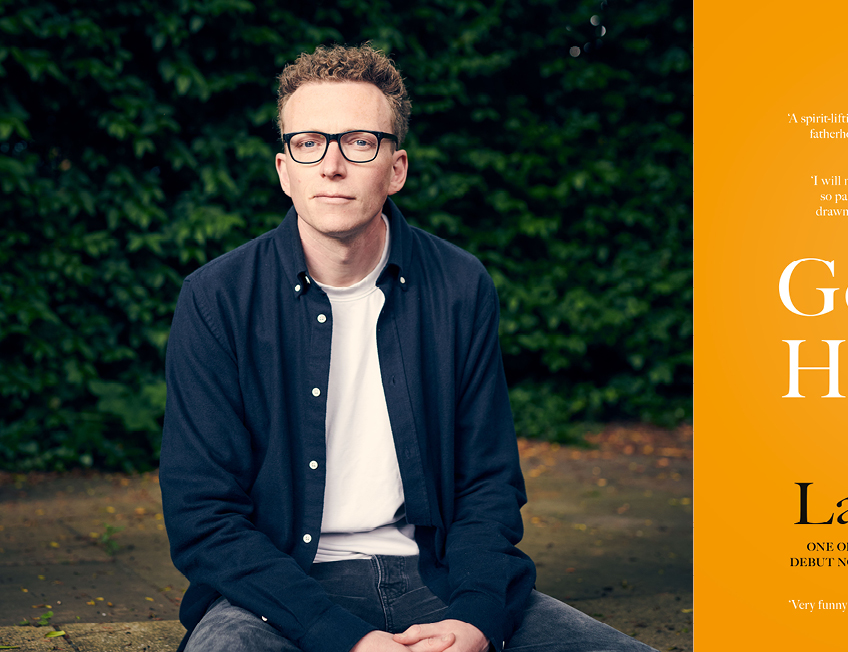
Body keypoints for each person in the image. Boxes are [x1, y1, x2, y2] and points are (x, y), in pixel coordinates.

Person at [160, 43, 655, 652]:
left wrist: (475, 618)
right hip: (279, 596)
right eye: (309, 142)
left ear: (395, 168)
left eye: (359, 142)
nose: (332, 165)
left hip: (440, 581)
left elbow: (487, 486)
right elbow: (204, 518)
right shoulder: (217, 299)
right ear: (285, 169)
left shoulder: (459, 285)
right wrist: (343, 637)